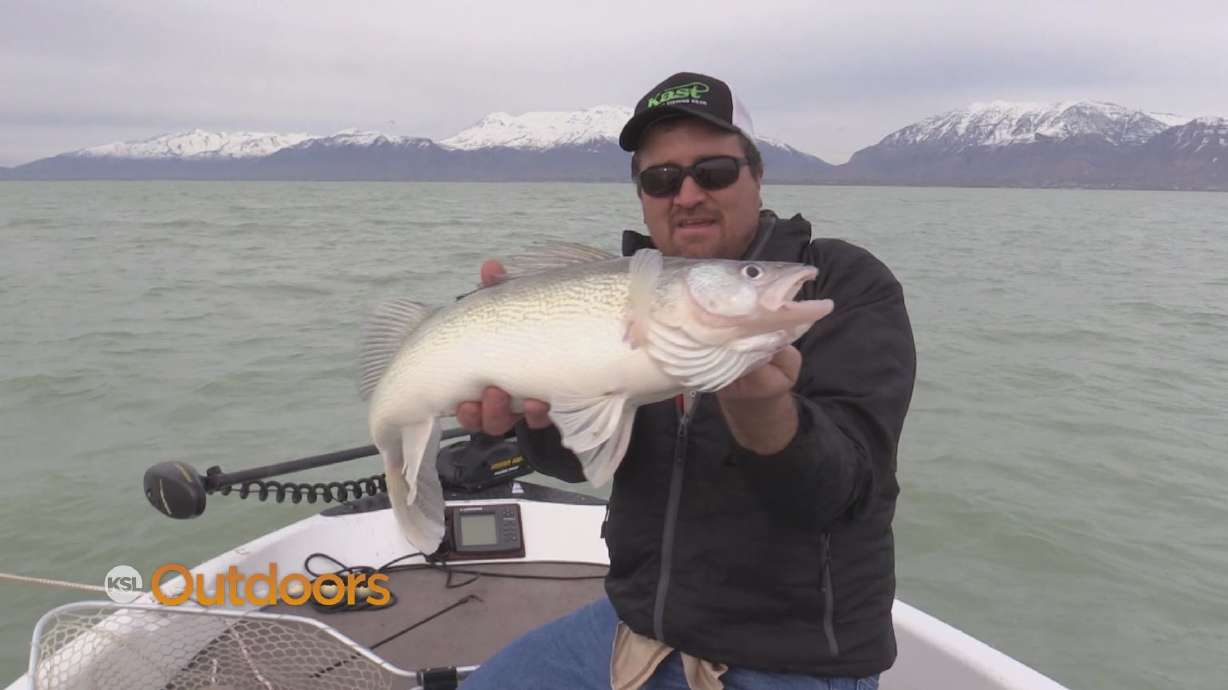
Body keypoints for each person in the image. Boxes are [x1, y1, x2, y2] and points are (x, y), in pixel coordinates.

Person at [455, 72, 916, 690]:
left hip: (790, 660)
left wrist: (764, 413)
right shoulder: (615, 295)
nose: (688, 193)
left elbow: (844, 493)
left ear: (756, 176)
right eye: (661, 179)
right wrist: (528, 418)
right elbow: (578, 461)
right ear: (643, 195)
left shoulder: (838, 285)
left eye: (715, 172)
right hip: (629, 629)